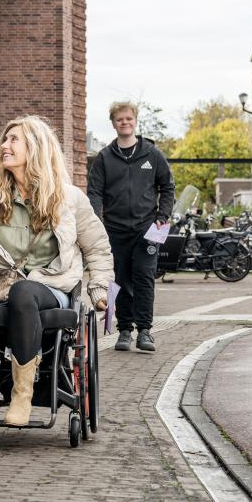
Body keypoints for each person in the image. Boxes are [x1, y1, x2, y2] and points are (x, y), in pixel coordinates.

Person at [0, 116, 113, 427]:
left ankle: (22, 395)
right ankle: (22, 388)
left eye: (14, 140)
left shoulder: (69, 198)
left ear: (35, 147)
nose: (4, 146)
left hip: (53, 289)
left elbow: (97, 249)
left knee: (25, 291)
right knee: (19, 293)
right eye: (4, 140)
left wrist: (99, 290)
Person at [87, 101, 174, 353]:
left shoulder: (152, 154)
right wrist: (97, 221)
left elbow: (167, 186)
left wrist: (163, 215)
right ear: (113, 124)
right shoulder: (104, 158)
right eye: (119, 119)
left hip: (147, 230)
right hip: (114, 231)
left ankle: (145, 331)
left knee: (144, 279)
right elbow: (94, 193)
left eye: (128, 118)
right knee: (119, 281)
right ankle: (124, 330)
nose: (124, 123)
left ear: (135, 121)